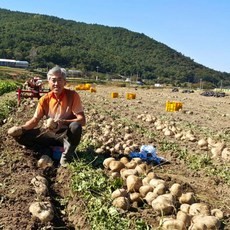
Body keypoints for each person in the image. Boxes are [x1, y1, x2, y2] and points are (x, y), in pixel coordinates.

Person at [8, 66, 86, 167]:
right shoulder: (44, 99)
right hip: (48, 134)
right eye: (53, 80)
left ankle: (66, 156)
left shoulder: (72, 95)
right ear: (48, 82)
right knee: (22, 137)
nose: (56, 83)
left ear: (64, 82)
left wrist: (63, 122)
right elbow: (35, 120)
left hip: (65, 135)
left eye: (60, 80)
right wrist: (21, 128)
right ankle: (45, 151)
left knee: (76, 126)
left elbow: (82, 120)